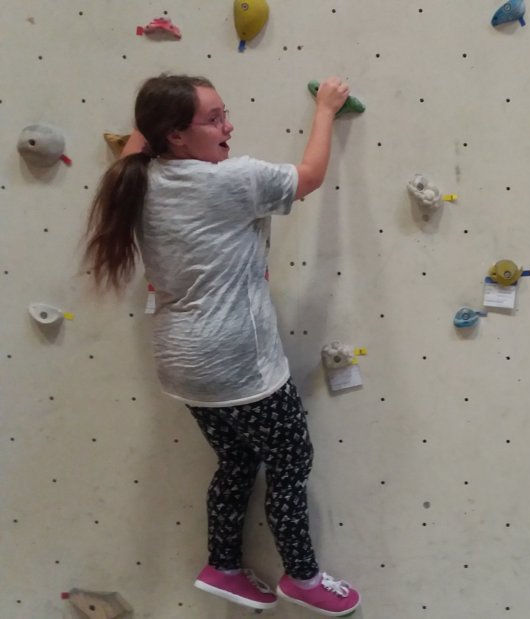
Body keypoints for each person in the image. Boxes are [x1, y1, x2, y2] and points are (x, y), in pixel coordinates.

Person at [83, 73, 362, 617]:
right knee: (290, 462)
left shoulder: (136, 177)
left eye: (224, 113)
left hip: (183, 366)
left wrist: (154, 111)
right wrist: (326, 109)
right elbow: (308, 177)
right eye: (213, 120)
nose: (228, 127)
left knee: (236, 460)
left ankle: (224, 566)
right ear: (175, 135)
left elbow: (139, 138)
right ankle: (302, 577)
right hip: (239, 363)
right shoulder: (229, 180)